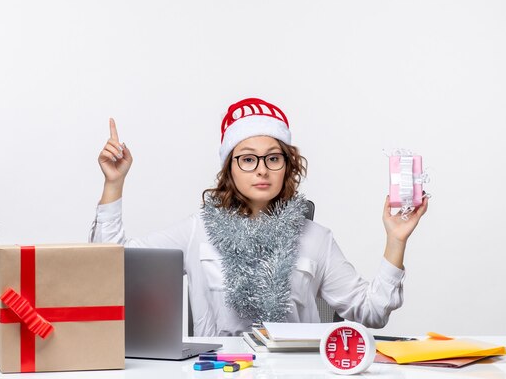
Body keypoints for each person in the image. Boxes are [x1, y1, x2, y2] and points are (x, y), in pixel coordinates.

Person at [89, 98, 428, 336]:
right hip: (219, 372)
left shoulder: (316, 239)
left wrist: (396, 240)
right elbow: (111, 263)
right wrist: (114, 183)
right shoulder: (198, 232)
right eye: (248, 159)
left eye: (273, 159)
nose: (262, 170)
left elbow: (372, 311)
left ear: (288, 166)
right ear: (230, 169)